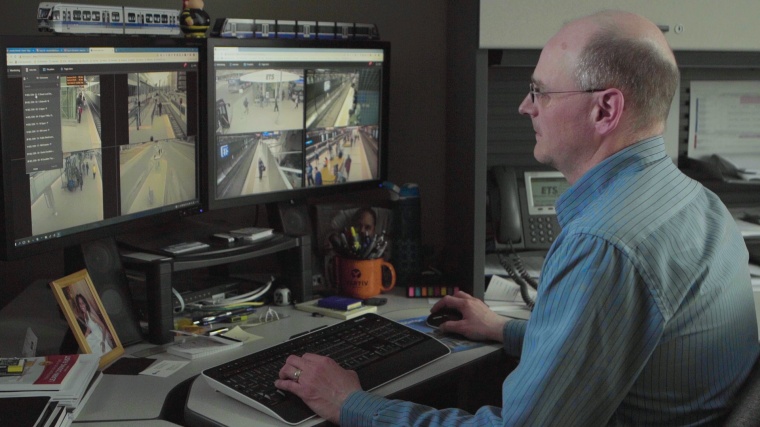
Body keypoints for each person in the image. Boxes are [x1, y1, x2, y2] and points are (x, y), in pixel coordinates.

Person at [274, 10, 760, 426]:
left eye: (540, 91)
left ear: (605, 109)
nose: (525, 106)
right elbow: (620, 348)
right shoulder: (696, 202)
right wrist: (504, 330)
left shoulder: (605, 243)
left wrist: (352, 404)